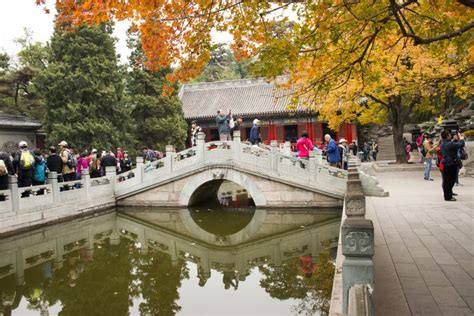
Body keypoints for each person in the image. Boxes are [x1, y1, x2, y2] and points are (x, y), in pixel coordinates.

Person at [440, 130, 465, 201]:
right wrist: (461, 139)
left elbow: (452, 144)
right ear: (448, 136)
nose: (450, 135)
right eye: (449, 134)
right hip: (451, 164)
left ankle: (447, 195)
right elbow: (461, 144)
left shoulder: (442, 144)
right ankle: (448, 197)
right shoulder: (449, 144)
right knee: (451, 180)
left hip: (445, 163)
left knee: (446, 181)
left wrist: (455, 140)